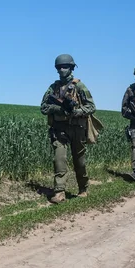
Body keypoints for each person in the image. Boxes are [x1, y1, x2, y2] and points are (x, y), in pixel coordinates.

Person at [40, 54, 96, 203]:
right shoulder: (53, 88)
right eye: (59, 67)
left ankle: (83, 188)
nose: (62, 69)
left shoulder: (79, 86)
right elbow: (44, 107)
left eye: (65, 67)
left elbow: (91, 106)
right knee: (59, 160)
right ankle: (59, 192)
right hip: (59, 129)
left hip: (77, 128)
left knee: (80, 162)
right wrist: (59, 109)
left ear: (71, 68)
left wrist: (76, 112)